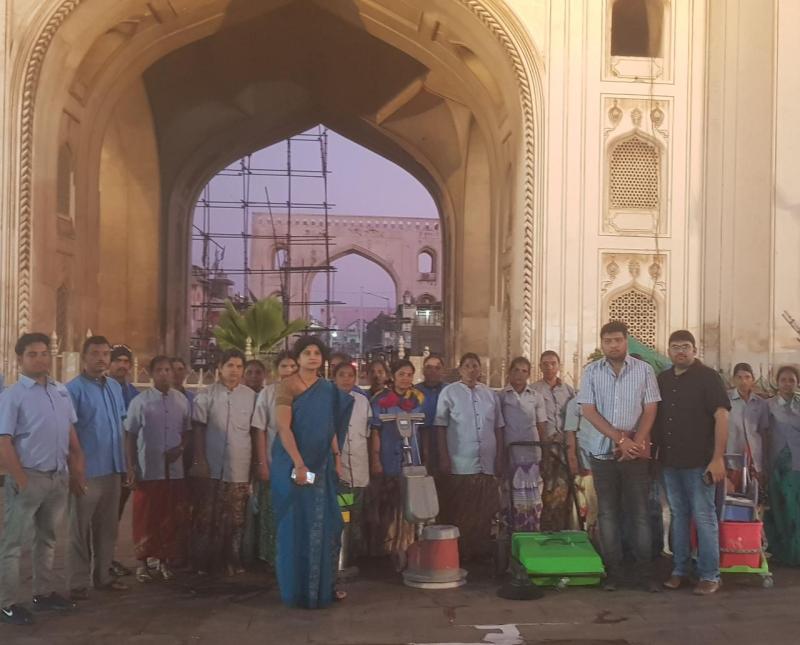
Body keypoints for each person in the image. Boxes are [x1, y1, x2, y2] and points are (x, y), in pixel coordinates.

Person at [0, 333, 86, 625]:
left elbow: (70, 433)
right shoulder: (13, 395)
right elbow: (4, 441)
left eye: (44, 353)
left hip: (56, 478)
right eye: (32, 354)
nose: (40, 358)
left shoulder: (60, 391)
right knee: (13, 544)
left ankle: (43, 593)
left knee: (47, 539)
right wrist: (21, 480)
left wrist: (76, 467)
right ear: (20, 359)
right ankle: (7, 603)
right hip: (29, 477)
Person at [577, 321, 661, 592]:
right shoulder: (591, 371)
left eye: (617, 340)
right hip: (602, 452)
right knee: (608, 513)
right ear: (602, 344)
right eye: (608, 341)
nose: (613, 345)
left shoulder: (644, 370)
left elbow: (650, 409)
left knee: (639, 512)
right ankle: (613, 572)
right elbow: (588, 410)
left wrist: (634, 443)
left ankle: (646, 573)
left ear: (626, 340)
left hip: (635, 453)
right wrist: (620, 440)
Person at [271, 336, 354, 608]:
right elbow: (284, 428)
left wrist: (337, 457)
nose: (312, 356)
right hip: (293, 466)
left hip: (322, 466)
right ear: (297, 358)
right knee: (296, 525)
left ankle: (322, 589)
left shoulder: (328, 390)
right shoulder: (288, 386)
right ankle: (296, 591)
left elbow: (330, 428)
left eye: (317, 352)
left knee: (329, 524)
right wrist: (299, 463)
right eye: (306, 352)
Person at [654, 329, 730, 595]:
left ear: (694, 350)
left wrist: (718, 458)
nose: (680, 351)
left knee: (704, 516)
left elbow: (722, 416)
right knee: (678, 516)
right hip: (671, 462)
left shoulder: (708, 378)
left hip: (701, 462)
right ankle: (680, 570)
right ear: (669, 351)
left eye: (685, 346)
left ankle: (710, 574)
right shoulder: (662, 379)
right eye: (675, 347)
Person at [66, 336, 130, 600]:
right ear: (84, 357)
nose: (102, 358)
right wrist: (75, 470)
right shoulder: (73, 390)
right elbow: (67, 434)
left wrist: (126, 464)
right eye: (95, 353)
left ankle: (103, 576)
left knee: (107, 528)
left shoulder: (115, 387)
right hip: (87, 470)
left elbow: (122, 427)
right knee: (80, 529)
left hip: (113, 468)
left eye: (105, 353)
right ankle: (78, 582)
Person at [124, 356, 191, 583]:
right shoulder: (140, 402)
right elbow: (130, 434)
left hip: (174, 471)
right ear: (151, 374)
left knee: (169, 516)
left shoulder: (182, 401)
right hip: (148, 469)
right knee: (145, 517)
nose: (164, 374)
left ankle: (164, 561)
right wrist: (131, 466)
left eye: (168, 370)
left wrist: (180, 449)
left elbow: (187, 432)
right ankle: (142, 563)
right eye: (160, 370)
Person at [190, 349, 257, 575]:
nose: (234, 371)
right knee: (207, 516)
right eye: (230, 366)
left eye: (239, 367)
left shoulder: (251, 397)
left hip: (239, 465)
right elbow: (198, 429)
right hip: (212, 463)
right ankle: (205, 562)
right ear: (220, 368)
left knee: (236, 517)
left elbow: (255, 433)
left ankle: (233, 559)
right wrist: (200, 460)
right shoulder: (206, 395)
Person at [434, 353, 504, 561]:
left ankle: (480, 552)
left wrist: (500, 456)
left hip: (487, 462)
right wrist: (444, 457)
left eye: (475, 366)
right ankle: (459, 553)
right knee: (461, 509)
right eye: (467, 366)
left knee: (484, 510)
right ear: (460, 368)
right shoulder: (449, 392)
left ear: (480, 369)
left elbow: (498, 427)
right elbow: (440, 427)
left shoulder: (490, 394)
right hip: (460, 461)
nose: (471, 370)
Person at [366, 359, 425, 566]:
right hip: (388, 457)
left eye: (409, 375)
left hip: (411, 459)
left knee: (407, 504)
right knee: (388, 503)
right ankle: (386, 548)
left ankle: (407, 545)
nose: (406, 379)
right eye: (402, 374)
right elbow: (375, 431)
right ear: (393, 375)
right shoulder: (380, 400)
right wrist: (375, 459)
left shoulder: (417, 398)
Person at [249, 351, 298, 567]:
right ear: (277, 370)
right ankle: (273, 557)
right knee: (273, 510)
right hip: (274, 461)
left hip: (300, 464)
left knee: (297, 510)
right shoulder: (267, 394)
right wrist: (262, 463)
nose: (289, 371)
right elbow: (259, 430)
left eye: (292, 366)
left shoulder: (306, 394)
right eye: (284, 366)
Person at [496, 357, 547, 531]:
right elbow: (498, 426)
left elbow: (541, 426)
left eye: (524, 371)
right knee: (510, 495)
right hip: (510, 453)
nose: (519, 374)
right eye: (516, 370)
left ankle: (531, 532)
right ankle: (510, 534)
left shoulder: (536, 397)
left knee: (532, 496)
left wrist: (545, 451)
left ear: (529, 374)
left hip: (532, 453)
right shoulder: (501, 396)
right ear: (509, 372)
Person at [532, 351, 576, 530]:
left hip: (564, 448)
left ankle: (560, 528)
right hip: (543, 447)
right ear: (540, 366)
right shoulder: (534, 390)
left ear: (559, 366)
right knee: (545, 488)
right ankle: (544, 527)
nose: (549, 367)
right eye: (545, 364)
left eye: (553, 363)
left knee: (563, 489)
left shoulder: (569, 391)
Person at [333, 360, 371, 559]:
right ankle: (339, 553)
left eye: (350, 375)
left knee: (357, 511)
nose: (346, 379)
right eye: (342, 375)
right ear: (334, 377)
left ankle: (355, 554)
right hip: (339, 467)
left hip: (359, 465)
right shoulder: (328, 400)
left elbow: (367, 432)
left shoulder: (362, 400)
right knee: (342, 511)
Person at [764, 365, 800, 566]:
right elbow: (760, 433)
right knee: (777, 508)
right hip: (775, 463)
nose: (787, 384)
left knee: (795, 509)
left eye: (792, 380)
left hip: (797, 464)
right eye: (784, 380)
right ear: (777, 382)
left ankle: (795, 554)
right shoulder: (767, 406)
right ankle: (780, 551)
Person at [108, 343, 139, 578]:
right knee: (98, 517)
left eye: (125, 361)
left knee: (115, 514)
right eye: (117, 360)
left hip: (125, 463)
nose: (122, 365)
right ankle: (97, 562)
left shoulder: (134, 395)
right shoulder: (103, 390)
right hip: (103, 464)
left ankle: (108, 559)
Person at [726, 362, 769, 489]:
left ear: (753, 380)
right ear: (733, 379)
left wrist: (764, 464)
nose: (743, 381)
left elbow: (764, 433)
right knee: (732, 499)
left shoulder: (761, 404)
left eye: (747, 377)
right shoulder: (725, 400)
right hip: (731, 459)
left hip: (755, 460)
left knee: (754, 498)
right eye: (739, 377)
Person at [415, 353, 447, 472]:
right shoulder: (414, 392)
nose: (433, 371)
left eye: (437, 368)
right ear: (423, 370)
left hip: (446, 443)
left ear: (443, 371)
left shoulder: (450, 391)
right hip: (420, 443)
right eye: (429, 367)